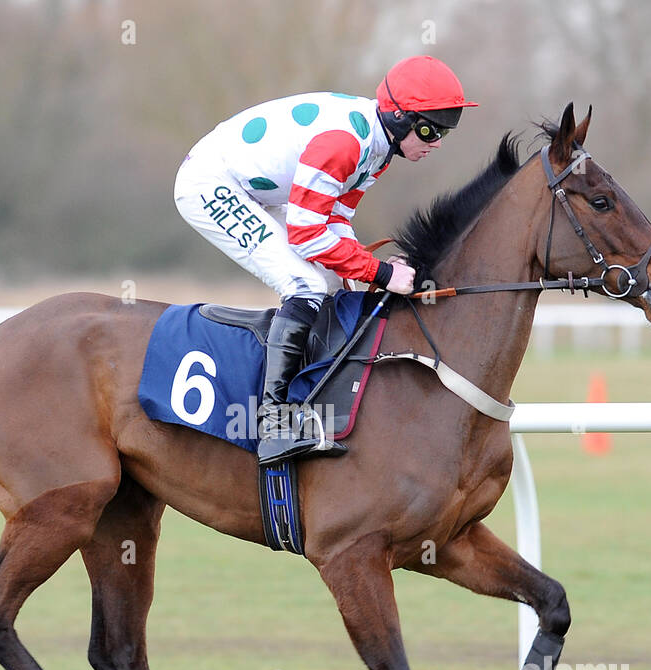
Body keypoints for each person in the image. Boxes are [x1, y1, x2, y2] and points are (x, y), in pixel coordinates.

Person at [173, 55, 477, 465]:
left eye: (445, 132)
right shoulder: (346, 144)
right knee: (305, 285)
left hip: (265, 193)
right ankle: (272, 421)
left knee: (338, 287)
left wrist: (361, 275)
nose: (436, 142)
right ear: (400, 117)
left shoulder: (380, 147)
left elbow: (336, 220)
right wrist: (382, 272)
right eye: (429, 129)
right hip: (211, 183)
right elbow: (306, 234)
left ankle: (317, 402)